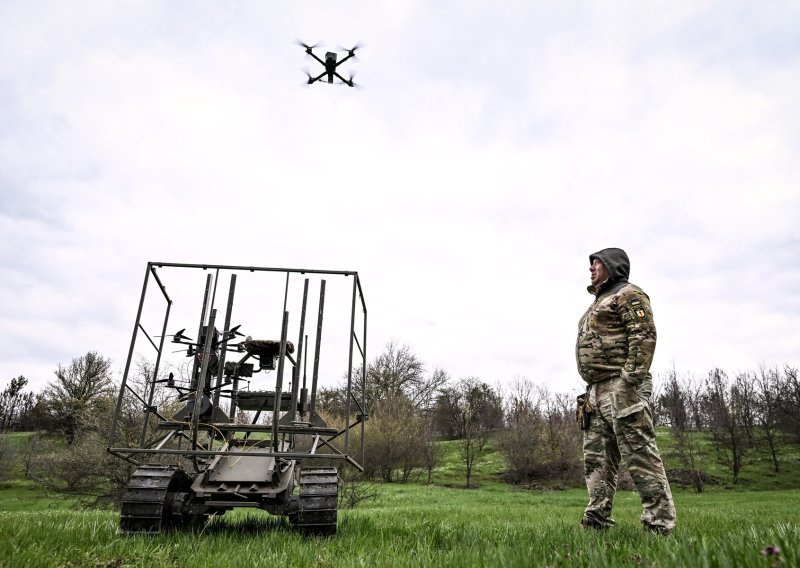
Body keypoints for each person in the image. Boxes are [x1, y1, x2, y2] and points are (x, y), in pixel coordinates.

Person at [575, 247, 676, 534]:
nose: (591, 268)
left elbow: (644, 335)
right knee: (597, 461)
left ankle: (659, 525)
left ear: (612, 266)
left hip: (621, 388)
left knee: (639, 455)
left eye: (596, 263)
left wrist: (629, 380)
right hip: (595, 393)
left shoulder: (629, 294)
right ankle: (596, 522)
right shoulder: (598, 302)